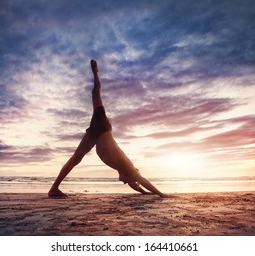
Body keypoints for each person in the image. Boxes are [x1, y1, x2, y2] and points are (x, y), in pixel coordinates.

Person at [48, 60, 167, 198]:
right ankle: (95, 73)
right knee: (96, 94)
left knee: (76, 158)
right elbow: (141, 180)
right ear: (131, 174)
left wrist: (144, 193)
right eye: (127, 181)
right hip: (103, 127)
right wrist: (161, 194)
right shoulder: (126, 165)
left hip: (95, 134)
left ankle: (53, 189)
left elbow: (136, 185)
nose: (123, 182)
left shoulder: (125, 173)